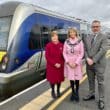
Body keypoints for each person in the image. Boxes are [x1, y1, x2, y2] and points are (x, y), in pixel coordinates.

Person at [83, 20, 107, 110]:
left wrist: (93, 60)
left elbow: (103, 50)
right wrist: (87, 58)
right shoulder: (88, 37)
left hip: (99, 64)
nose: (95, 28)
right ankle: (91, 94)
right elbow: (84, 49)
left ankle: (101, 99)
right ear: (91, 27)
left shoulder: (104, 37)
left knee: (100, 82)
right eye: (93, 26)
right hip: (89, 64)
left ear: (100, 27)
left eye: (97, 26)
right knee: (90, 80)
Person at [63, 28, 84, 102]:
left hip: (77, 63)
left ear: (76, 33)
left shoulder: (80, 41)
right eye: (70, 32)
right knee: (71, 79)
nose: (72, 33)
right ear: (69, 33)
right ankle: (73, 92)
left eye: (73, 32)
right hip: (69, 63)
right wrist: (68, 62)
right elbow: (64, 53)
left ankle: (77, 93)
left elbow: (81, 53)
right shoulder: (66, 41)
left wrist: (76, 63)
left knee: (77, 79)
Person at [45, 31, 64, 99]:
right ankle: (53, 91)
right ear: (51, 38)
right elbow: (47, 56)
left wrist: (61, 64)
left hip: (60, 66)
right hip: (51, 66)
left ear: (57, 36)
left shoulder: (61, 45)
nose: (54, 37)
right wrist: (54, 64)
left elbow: (64, 56)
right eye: (53, 36)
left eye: (55, 36)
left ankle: (58, 90)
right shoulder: (48, 45)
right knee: (52, 80)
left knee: (59, 80)